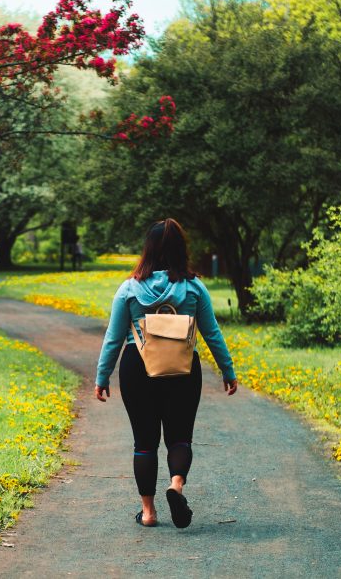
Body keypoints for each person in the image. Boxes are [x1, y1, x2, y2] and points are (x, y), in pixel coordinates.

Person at [94, 218, 238, 529]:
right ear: (180, 250)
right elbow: (212, 333)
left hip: (138, 367)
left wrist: (102, 376)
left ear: (147, 250)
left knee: (144, 443)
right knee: (179, 438)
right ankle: (175, 486)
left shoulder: (129, 288)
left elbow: (114, 337)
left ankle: (148, 512)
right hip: (183, 368)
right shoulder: (194, 287)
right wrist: (227, 370)